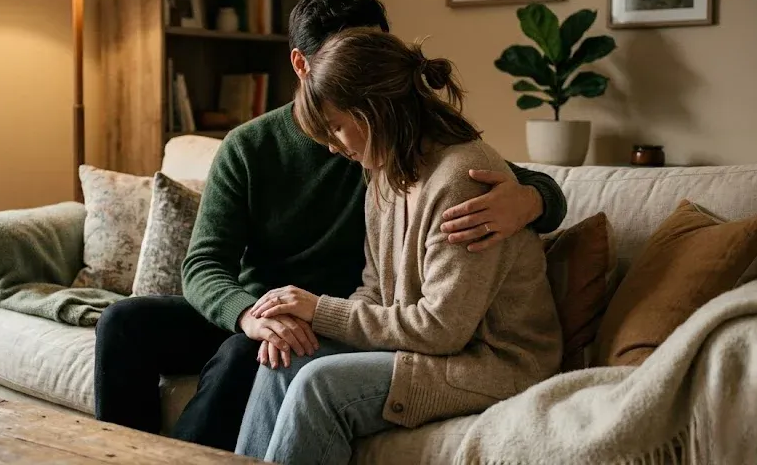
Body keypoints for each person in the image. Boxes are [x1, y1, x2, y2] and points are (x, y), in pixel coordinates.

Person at [92, 0, 567, 452]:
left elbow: (486, 175)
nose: (366, 66)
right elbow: (203, 264)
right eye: (347, 57)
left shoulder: (401, 149)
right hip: (272, 306)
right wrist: (248, 314)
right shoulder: (266, 147)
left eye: (373, 53)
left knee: (256, 356)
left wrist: (533, 200)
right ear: (303, 65)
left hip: (342, 315)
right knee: (123, 322)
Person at [235, 28, 563, 464]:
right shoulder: (384, 174)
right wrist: (307, 327)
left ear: (373, 111)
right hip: (424, 348)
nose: (333, 148)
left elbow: (441, 329)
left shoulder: (463, 180)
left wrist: (319, 310)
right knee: (283, 357)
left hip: (495, 362)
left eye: (336, 128)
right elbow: (375, 289)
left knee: (319, 384)